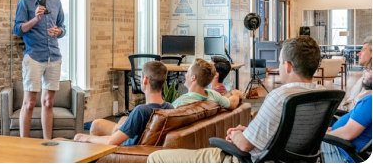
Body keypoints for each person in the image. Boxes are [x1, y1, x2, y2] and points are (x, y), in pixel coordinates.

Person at [148, 35, 325, 163]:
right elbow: (286, 132)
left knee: (156, 157)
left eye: (279, 62)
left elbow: (245, 145)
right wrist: (249, 130)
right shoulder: (322, 95)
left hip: (241, 159)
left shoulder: (280, 96)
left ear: (287, 66)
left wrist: (236, 134)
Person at [13, 0, 66, 139]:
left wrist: (58, 32)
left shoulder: (56, 2)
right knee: (29, 104)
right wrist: (35, 19)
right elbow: (18, 29)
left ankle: (47, 144)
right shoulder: (25, 0)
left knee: (48, 102)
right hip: (34, 57)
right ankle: (24, 144)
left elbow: (63, 28)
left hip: (54, 57)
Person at [72, 61, 173, 145]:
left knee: (87, 131)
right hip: (144, 143)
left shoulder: (141, 111)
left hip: (127, 149)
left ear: (145, 80)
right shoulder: (170, 107)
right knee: (99, 123)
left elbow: (111, 141)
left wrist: (83, 137)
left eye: (141, 77)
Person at [322, 58, 373, 163]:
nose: (364, 72)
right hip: (341, 144)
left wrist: (318, 135)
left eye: (368, 69)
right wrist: (330, 130)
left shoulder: (370, 101)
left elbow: (347, 134)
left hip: (341, 152)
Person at [172, 58, 243, 109]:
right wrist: (237, 93)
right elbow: (233, 104)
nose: (185, 75)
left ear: (193, 77)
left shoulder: (179, 103)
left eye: (187, 72)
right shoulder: (214, 95)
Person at [340, 39, 372, 111]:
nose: (358, 54)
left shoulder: (370, 79)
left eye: (363, 50)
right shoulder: (365, 75)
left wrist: (345, 106)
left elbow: (358, 107)